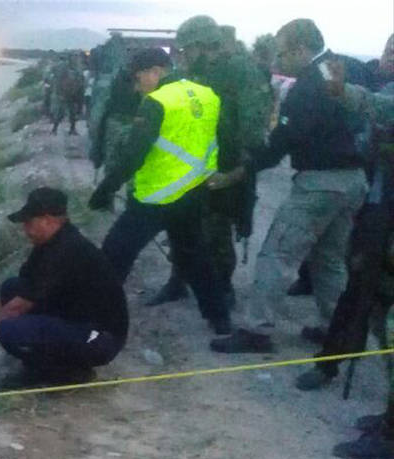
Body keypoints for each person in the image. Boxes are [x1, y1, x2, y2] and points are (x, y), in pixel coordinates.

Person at [211, 19, 367, 354]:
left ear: (300, 49)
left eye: (282, 55)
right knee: (329, 259)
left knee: (277, 254)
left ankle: (256, 330)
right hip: (353, 181)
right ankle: (335, 329)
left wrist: (242, 171)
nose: (278, 63)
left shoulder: (309, 84)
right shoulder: (343, 69)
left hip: (320, 184)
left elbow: (284, 139)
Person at [89, 47, 235, 336]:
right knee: (195, 257)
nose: (136, 85)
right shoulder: (207, 94)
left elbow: (134, 154)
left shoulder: (157, 101)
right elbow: (226, 139)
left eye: (137, 78)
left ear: (155, 71)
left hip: (155, 198)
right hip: (193, 193)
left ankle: (95, 319)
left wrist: (106, 189)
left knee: (114, 255)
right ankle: (220, 319)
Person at [147, 16, 273, 309]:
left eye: (187, 50)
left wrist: (239, 168)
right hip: (188, 162)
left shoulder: (240, 71)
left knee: (216, 230)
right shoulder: (195, 72)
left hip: (223, 163)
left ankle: (222, 290)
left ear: (205, 46)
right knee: (179, 223)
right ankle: (178, 281)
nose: (183, 57)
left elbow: (253, 126)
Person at [0, 187, 128, 383]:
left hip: (101, 338)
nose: (25, 229)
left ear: (48, 219)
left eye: (28, 222)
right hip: (76, 314)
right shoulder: (48, 244)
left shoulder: (66, 250)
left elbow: (16, 308)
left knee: (9, 330)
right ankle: (52, 354)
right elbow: (18, 292)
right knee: (11, 286)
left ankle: (68, 372)